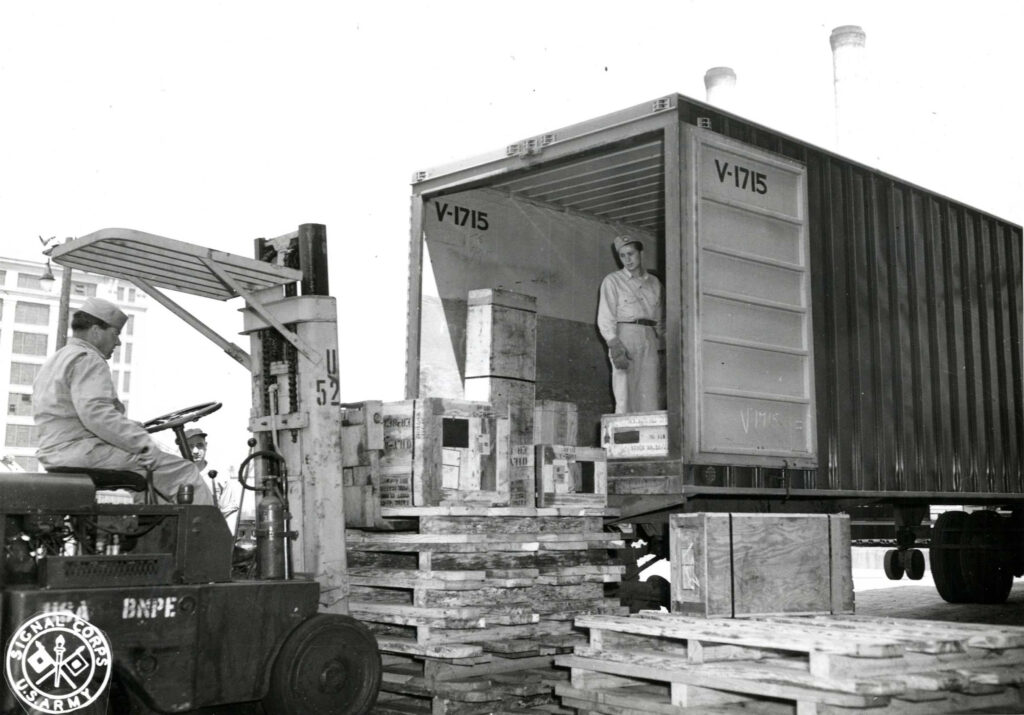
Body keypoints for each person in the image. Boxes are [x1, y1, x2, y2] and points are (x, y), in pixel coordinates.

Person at [32, 297, 214, 505]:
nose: (118, 342)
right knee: (185, 472)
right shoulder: (89, 359)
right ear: (95, 331)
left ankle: (158, 536)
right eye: (115, 333)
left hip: (57, 453)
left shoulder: (57, 359)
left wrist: (131, 427)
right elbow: (96, 414)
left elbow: (75, 414)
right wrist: (143, 444)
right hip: (84, 453)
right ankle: (212, 538)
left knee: (148, 498)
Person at [597, 235, 664, 414]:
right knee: (624, 391)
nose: (627, 260)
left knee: (650, 391)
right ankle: (623, 436)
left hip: (649, 336)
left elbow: (660, 319)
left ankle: (648, 439)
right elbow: (605, 316)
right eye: (622, 256)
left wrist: (664, 344)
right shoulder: (612, 281)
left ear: (641, 253)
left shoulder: (655, 283)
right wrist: (613, 343)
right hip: (625, 336)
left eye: (631, 254)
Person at [184, 428, 242, 525]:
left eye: (199, 445)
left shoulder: (220, 477)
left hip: (210, 532)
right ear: (183, 448)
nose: (195, 451)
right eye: (190, 446)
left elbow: (229, 511)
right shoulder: (175, 476)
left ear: (206, 446)